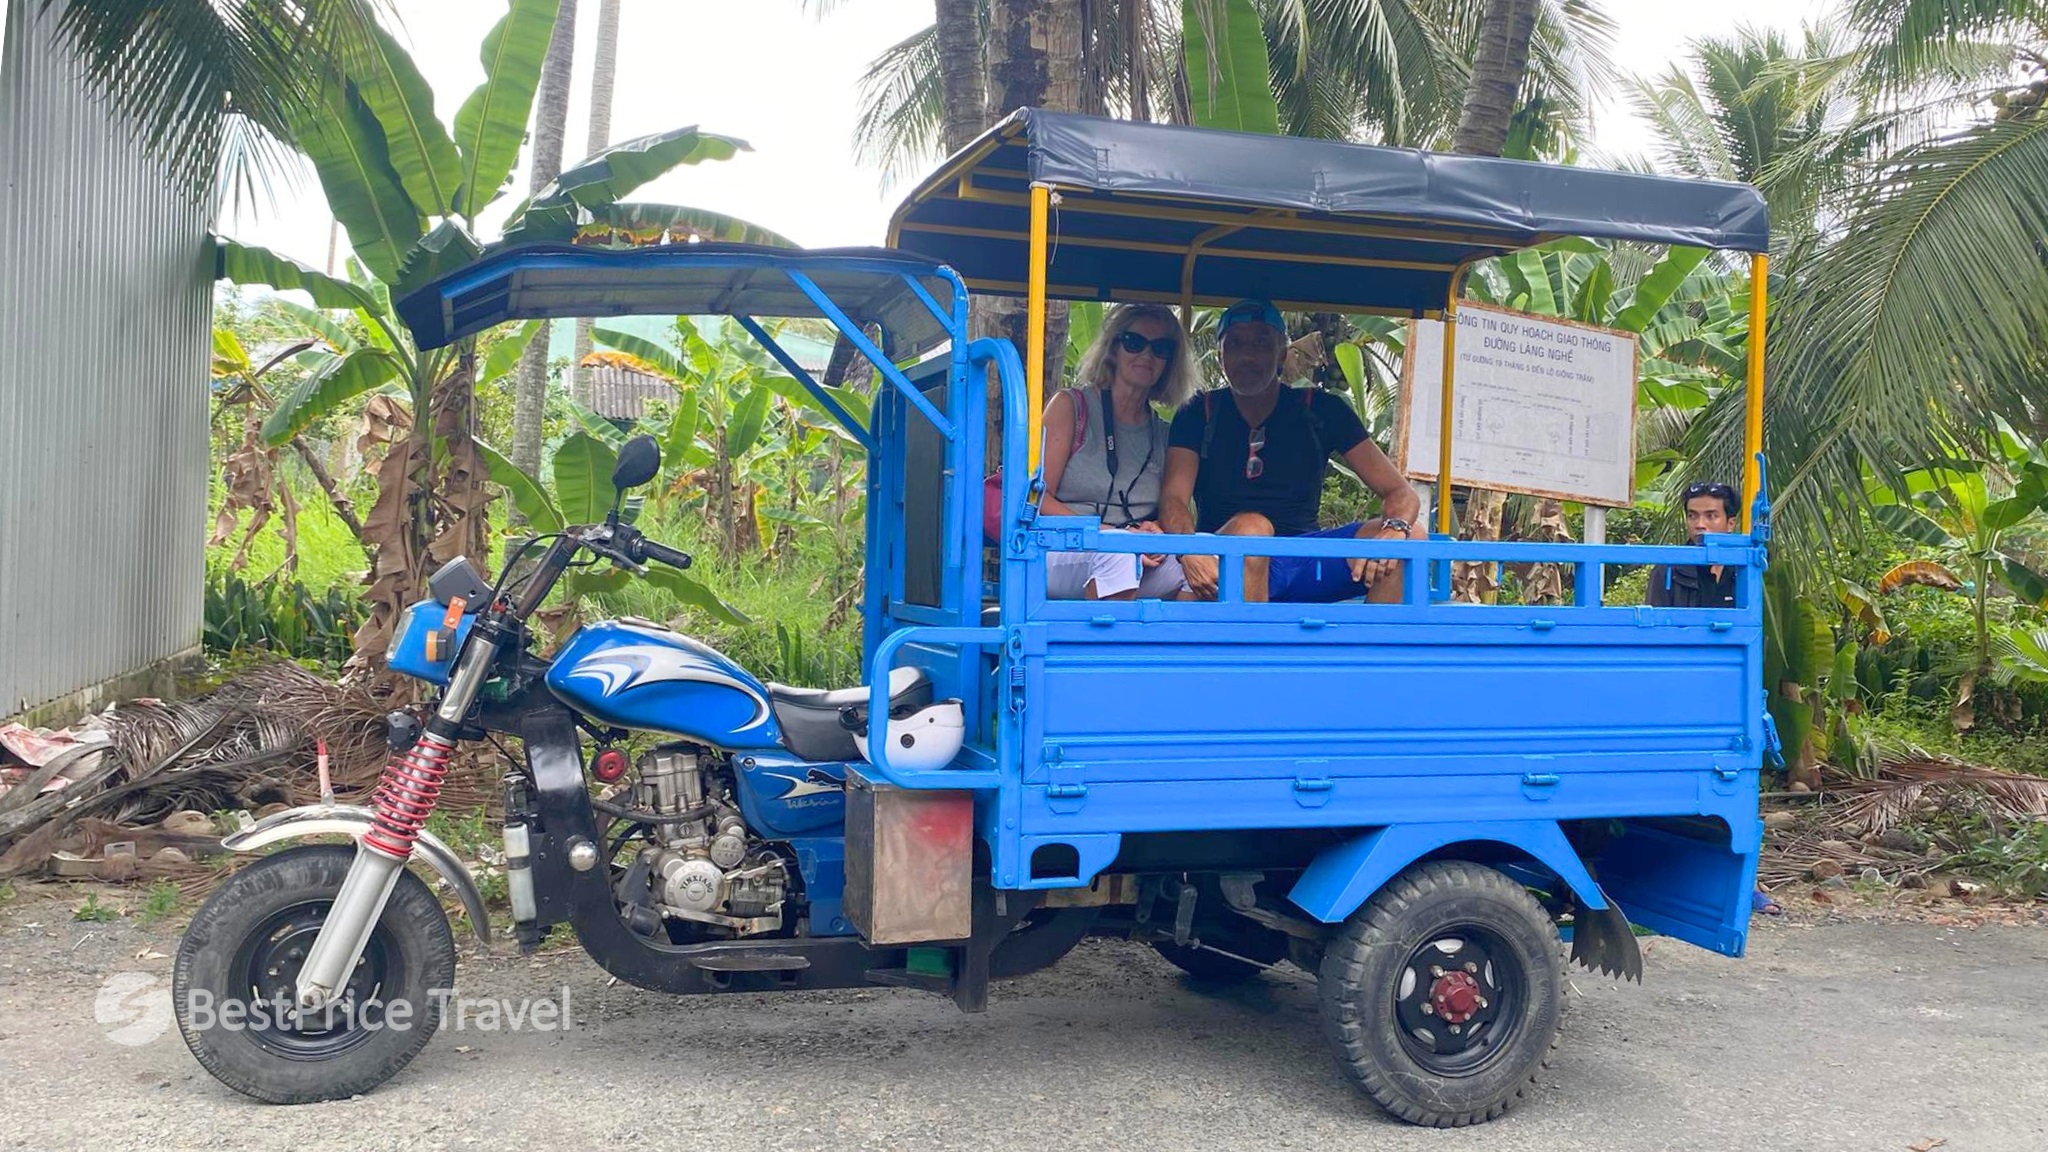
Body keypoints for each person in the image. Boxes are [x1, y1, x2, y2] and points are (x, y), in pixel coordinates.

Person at [1159, 299, 1426, 603]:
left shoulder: (1320, 409)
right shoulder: (1199, 411)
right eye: (1235, 344)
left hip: (1304, 555)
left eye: (1261, 343)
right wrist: (1190, 550)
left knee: (1412, 537)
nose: (1247, 355)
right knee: (1253, 528)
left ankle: (1369, 648)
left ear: (1282, 354)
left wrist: (1395, 529)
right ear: (1221, 357)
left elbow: (1401, 494)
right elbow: (1173, 499)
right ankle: (1250, 649)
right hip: (1229, 557)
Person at [1038, 303, 1200, 600]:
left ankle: (1171, 646)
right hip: (1061, 548)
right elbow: (1035, 497)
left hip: (1134, 553)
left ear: (1169, 362)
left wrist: (1156, 530)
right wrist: (1107, 533)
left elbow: (1171, 506)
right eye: (1134, 343)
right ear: (1113, 349)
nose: (1146, 355)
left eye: (1160, 348)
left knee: (1204, 564)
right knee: (1117, 553)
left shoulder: (1164, 434)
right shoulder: (1071, 407)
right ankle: (1107, 647)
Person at [1647, 481, 1740, 608]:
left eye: (1711, 516)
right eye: (1692, 516)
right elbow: (1656, 623)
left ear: (1731, 524)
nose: (1699, 524)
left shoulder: (1744, 569)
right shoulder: (1668, 571)